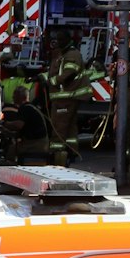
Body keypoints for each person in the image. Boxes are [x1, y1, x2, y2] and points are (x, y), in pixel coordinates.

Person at [43, 29, 87, 162]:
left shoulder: (71, 55)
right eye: (57, 39)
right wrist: (40, 77)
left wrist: (51, 82)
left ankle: (57, 153)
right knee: (70, 127)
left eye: (61, 39)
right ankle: (71, 151)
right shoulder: (63, 54)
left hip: (66, 97)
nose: (58, 42)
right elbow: (56, 72)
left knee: (59, 126)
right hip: (66, 97)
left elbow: (68, 73)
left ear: (68, 40)